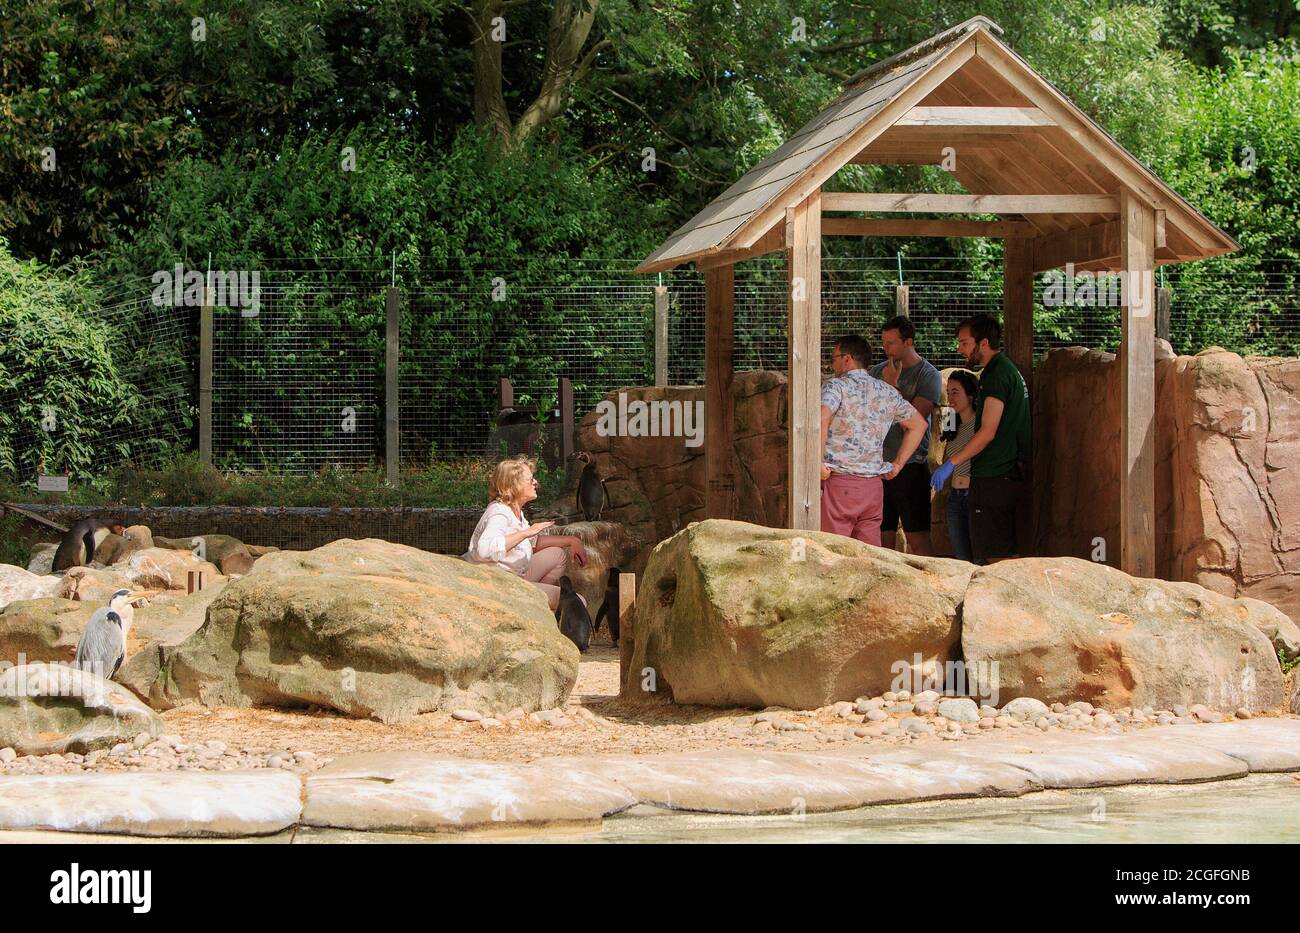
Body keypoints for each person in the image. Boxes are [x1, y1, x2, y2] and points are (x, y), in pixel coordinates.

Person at [930, 314, 1031, 563]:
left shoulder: (997, 375)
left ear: (983, 343)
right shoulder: (1000, 372)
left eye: (964, 343)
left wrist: (950, 464)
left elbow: (987, 432)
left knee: (993, 558)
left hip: (995, 476)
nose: (959, 348)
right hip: (999, 477)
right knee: (994, 553)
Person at [820, 334, 929, 546]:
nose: (831, 363)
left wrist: (817, 462)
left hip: (840, 482)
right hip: (873, 488)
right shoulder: (887, 391)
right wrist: (897, 465)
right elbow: (919, 425)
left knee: (833, 553)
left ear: (847, 359)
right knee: (870, 556)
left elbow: (822, 416)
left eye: (833, 358)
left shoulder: (836, 387)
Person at [464, 455, 589, 611]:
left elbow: (532, 542)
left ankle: (532, 606)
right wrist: (526, 532)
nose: (535, 482)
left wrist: (572, 540)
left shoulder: (515, 510)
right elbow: (484, 550)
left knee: (557, 555)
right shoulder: (499, 512)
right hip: (497, 584)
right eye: (530, 480)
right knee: (577, 602)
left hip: (513, 577)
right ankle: (532, 608)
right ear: (513, 485)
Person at [869, 315, 944, 555]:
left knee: (917, 536)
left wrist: (892, 385)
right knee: (881, 534)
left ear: (908, 342)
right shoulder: (875, 371)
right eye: (884, 342)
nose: (885, 348)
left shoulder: (928, 375)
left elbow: (912, 422)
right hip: (878, 465)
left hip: (911, 465)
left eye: (891, 343)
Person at [936, 370, 980, 563]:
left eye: (955, 392)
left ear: (970, 394)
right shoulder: (950, 418)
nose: (950, 397)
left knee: (979, 555)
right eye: (948, 392)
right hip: (955, 496)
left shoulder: (982, 421)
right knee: (961, 557)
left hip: (975, 494)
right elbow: (946, 455)